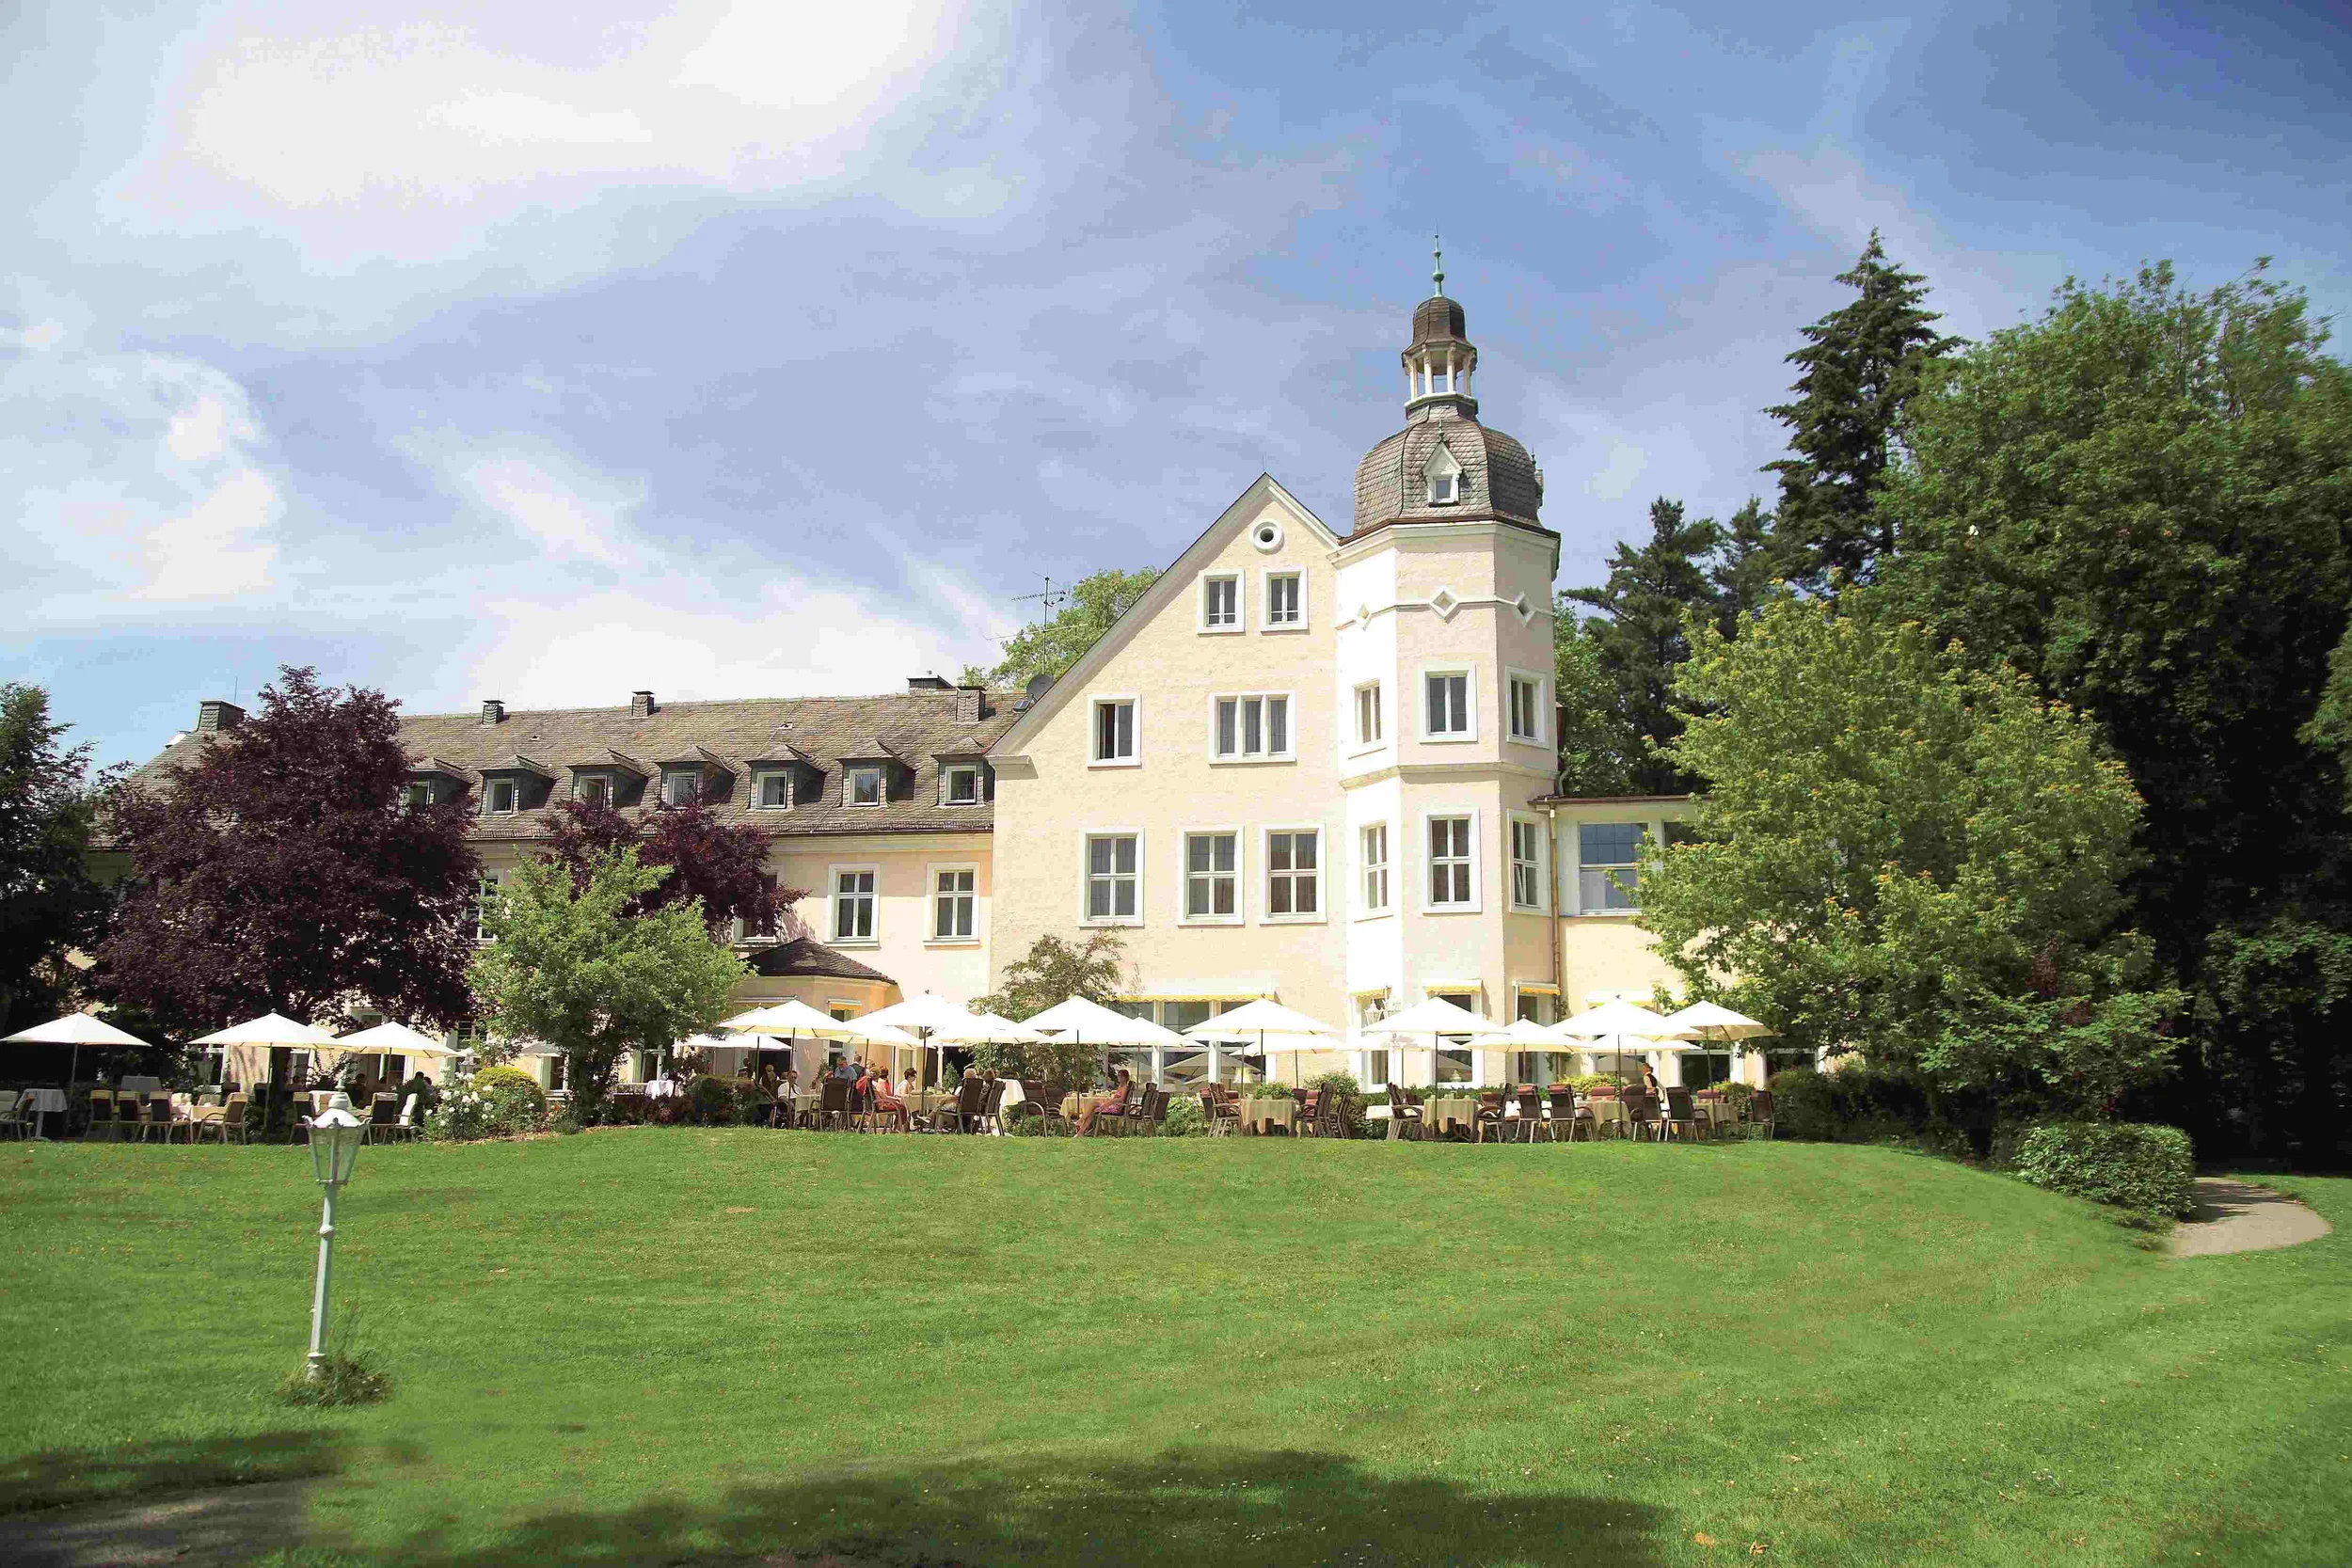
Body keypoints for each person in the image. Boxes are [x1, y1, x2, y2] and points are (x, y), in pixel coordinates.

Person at [1076, 1069, 1133, 1136]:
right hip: (1113, 1105)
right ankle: (1080, 1132)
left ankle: (1081, 1120)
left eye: (1121, 1076)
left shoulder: (1125, 1087)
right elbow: (1115, 1097)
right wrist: (1108, 1101)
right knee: (1092, 1110)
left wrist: (1110, 1101)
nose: (1119, 1077)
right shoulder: (1120, 1086)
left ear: (1125, 1077)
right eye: (1118, 1076)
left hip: (1117, 1108)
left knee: (1093, 1102)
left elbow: (1121, 1099)